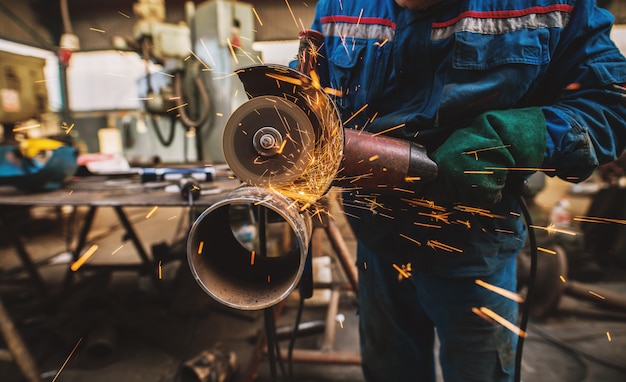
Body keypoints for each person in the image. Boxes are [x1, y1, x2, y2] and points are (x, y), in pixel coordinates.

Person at [306, 0, 626, 381]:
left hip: (477, 249)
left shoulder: (551, 5)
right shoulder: (340, 5)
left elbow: (612, 102)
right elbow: (311, 93)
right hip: (376, 248)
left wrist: (520, 137)